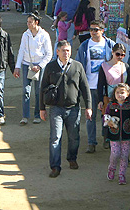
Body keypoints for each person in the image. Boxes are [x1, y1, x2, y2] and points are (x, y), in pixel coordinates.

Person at [39, 40, 92, 177]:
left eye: (68, 50)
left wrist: (89, 106)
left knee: (74, 137)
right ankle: (55, 166)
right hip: (56, 108)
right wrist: (42, 108)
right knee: (55, 137)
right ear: (57, 52)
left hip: (73, 108)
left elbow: (85, 88)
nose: (66, 53)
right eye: (63, 50)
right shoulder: (50, 67)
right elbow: (43, 88)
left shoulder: (77, 66)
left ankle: (72, 158)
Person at [76, 20, 116, 153]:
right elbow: (79, 65)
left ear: (102, 31)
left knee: (106, 115)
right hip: (89, 86)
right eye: (91, 29)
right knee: (90, 115)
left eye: (96, 29)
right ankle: (91, 142)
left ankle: (106, 138)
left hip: (105, 87)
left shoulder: (110, 44)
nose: (93, 32)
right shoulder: (84, 45)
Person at [14, 13, 53, 125]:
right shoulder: (25, 35)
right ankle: (25, 116)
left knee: (38, 91)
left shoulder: (44, 35)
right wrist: (17, 66)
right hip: (27, 64)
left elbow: (49, 54)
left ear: (36, 22)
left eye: (30, 22)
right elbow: (21, 50)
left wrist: (40, 65)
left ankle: (37, 114)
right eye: (27, 22)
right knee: (26, 90)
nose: (28, 24)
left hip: (40, 65)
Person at [97, 43, 130, 149]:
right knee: (108, 118)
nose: (120, 57)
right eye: (117, 54)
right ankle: (107, 138)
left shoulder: (125, 66)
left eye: (122, 55)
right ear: (112, 53)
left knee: (124, 118)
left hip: (123, 97)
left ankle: (123, 142)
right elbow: (100, 84)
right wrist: (100, 100)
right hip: (109, 97)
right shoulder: (104, 66)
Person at [104, 83, 130, 185]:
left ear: (127, 94)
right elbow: (106, 116)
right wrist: (108, 122)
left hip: (127, 134)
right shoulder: (111, 105)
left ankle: (122, 175)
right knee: (115, 153)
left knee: (124, 156)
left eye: (122, 92)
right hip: (114, 133)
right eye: (117, 92)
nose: (120, 95)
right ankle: (112, 168)